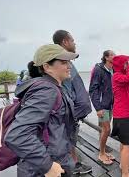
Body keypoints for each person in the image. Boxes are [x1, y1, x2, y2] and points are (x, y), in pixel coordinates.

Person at [5, 44, 78, 177]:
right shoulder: (47, 90)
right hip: (43, 169)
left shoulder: (54, 87)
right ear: (46, 67)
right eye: (63, 62)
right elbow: (17, 134)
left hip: (55, 160)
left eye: (69, 62)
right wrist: (47, 165)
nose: (69, 66)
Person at [52, 30, 93, 174]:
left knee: (70, 139)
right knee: (65, 140)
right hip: (67, 112)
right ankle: (69, 166)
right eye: (72, 40)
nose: (74, 43)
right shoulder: (58, 62)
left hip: (71, 112)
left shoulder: (66, 62)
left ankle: (73, 163)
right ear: (65, 42)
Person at [89, 50, 116, 165]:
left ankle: (103, 151)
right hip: (102, 106)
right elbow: (93, 89)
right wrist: (98, 108)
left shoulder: (113, 69)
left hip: (111, 105)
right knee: (106, 129)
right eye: (112, 55)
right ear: (106, 57)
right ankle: (101, 154)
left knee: (106, 129)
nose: (115, 57)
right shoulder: (98, 69)